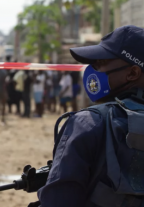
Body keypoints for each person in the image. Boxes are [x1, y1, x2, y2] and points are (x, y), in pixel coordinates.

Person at [30, 25, 144, 207]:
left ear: (132, 73)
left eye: (101, 63)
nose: (92, 70)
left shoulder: (89, 123)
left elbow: (58, 201)